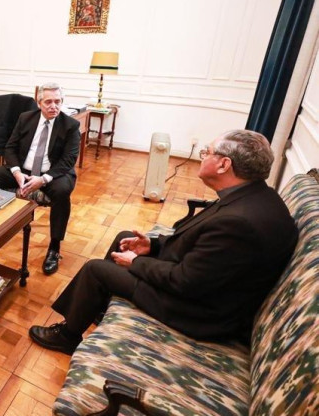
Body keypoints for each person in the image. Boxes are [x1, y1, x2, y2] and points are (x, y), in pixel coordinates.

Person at [29, 130, 298, 354]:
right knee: (126, 237)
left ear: (224, 165)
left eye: (207, 152)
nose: (202, 157)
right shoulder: (253, 196)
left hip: (199, 312)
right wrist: (154, 246)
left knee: (96, 269)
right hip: (206, 285)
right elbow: (204, 250)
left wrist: (136, 262)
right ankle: (97, 305)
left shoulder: (239, 223)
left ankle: (68, 335)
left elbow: (185, 282)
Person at [0, 83, 80, 275]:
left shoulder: (70, 125)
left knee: (62, 192)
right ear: (39, 102)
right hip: (24, 170)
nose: (54, 106)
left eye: (58, 102)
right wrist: (17, 172)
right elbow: (10, 147)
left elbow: (68, 160)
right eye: (49, 102)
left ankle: (54, 247)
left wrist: (43, 180)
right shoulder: (26, 118)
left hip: (53, 173)